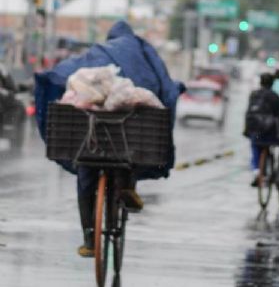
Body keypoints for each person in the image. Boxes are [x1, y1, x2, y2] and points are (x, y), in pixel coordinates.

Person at [35, 21, 184, 258]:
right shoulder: (142, 51)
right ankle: (127, 188)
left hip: (90, 139)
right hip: (126, 133)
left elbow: (69, 71)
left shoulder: (98, 53)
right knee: (129, 154)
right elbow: (160, 81)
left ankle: (89, 240)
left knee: (85, 180)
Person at [244, 73, 279, 186]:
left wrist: (246, 130)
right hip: (270, 132)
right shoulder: (276, 97)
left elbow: (248, 113)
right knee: (271, 146)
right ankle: (269, 171)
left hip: (256, 132)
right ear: (272, 83)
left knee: (255, 146)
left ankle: (256, 171)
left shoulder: (254, 95)